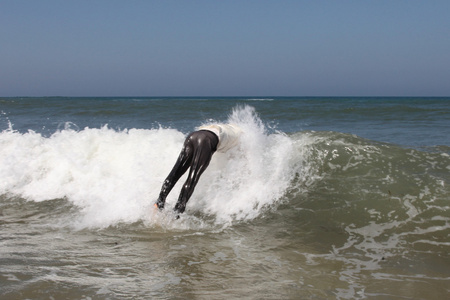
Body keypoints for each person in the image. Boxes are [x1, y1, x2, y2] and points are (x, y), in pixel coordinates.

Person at [155, 123, 242, 215]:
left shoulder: (225, 128)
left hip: (193, 135)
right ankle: (177, 212)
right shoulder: (240, 137)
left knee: (176, 172)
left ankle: (159, 203)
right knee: (192, 178)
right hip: (205, 141)